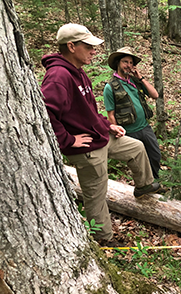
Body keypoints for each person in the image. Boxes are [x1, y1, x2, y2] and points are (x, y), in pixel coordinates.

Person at [41, 23, 161, 246]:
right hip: (85, 148)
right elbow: (45, 113)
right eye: (89, 47)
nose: (94, 51)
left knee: (135, 147)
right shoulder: (58, 76)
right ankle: (104, 240)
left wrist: (108, 126)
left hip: (99, 137)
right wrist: (68, 140)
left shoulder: (78, 72)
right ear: (71, 46)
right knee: (96, 195)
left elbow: (89, 111)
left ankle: (144, 185)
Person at [103, 47, 162, 180]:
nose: (128, 65)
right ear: (118, 63)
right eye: (125, 62)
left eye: (131, 63)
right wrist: (118, 132)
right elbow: (111, 114)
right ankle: (145, 185)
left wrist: (140, 78)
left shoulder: (136, 82)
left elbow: (155, 95)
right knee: (139, 161)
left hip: (144, 127)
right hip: (129, 131)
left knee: (155, 155)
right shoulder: (110, 87)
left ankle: (156, 182)